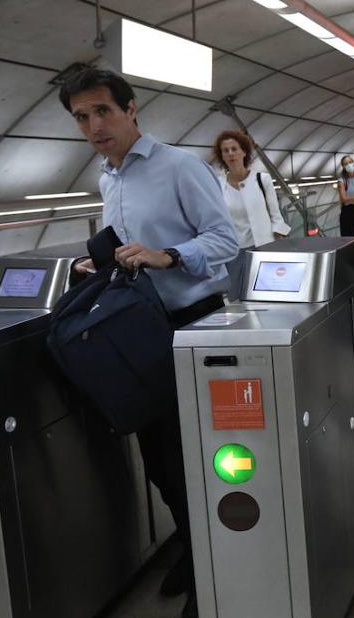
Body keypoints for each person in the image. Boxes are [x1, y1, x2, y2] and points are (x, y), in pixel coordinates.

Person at [62, 67, 238, 618]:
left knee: (191, 455)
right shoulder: (107, 179)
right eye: (82, 117)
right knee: (158, 457)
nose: (94, 126)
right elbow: (128, 248)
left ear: (131, 109)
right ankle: (190, 543)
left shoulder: (179, 167)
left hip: (192, 321)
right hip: (139, 328)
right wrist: (100, 264)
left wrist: (170, 255)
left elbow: (224, 240)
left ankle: (215, 571)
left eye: (103, 111)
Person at [213, 130, 289, 298]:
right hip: (234, 252)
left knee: (268, 294)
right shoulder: (218, 185)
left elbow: (276, 215)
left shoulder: (262, 179)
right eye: (225, 151)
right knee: (237, 297)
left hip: (263, 247)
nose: (230, 154)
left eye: (234, 149)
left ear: (244, 152)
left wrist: (278, 239)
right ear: (222, 156)